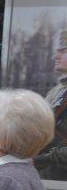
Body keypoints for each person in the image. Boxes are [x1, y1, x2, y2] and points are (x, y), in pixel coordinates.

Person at [33, 30, 67, 180]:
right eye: (57, 51)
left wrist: (40, 160)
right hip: (46, 172)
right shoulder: (57, 91)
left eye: (63, 51)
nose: (56, 56)